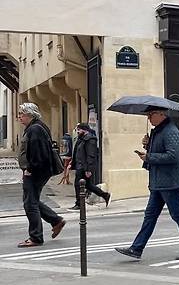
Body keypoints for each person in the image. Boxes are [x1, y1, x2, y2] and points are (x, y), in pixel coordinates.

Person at [115, 107, 179, 260]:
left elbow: (173, 156)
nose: (148, 117)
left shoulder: (170, 131)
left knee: (178, 215)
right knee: (150, 215)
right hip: (159, 182)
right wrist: (148, 144)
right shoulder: (159, 131)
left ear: (161, 114)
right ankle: (137, 248)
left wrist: (149, 157)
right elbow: (161, 150)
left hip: (170, 182)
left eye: (151, 114)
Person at [16, 102, 66, 248]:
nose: (19, 117)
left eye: (22, 114)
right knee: (31, 200)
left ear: (30, 114)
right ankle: (56, 220)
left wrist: (30, 169)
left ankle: (36, 237)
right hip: (38, 171)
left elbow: (38, 153)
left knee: (30, 204)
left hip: (36, 171)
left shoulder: (35, 129)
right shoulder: (35, 127)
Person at [71, 123, 111, 209]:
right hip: (80, 165)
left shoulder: (90, 140)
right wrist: (72, 163)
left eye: (79, 130)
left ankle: (79, 204)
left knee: (78, 185)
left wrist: (88, 169)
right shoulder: (81, 139)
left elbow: (91, 155)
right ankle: (105, 195)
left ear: (84, 130)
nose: (77, 132)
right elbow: (77, 153)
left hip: (83, 167)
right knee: (88, 185)